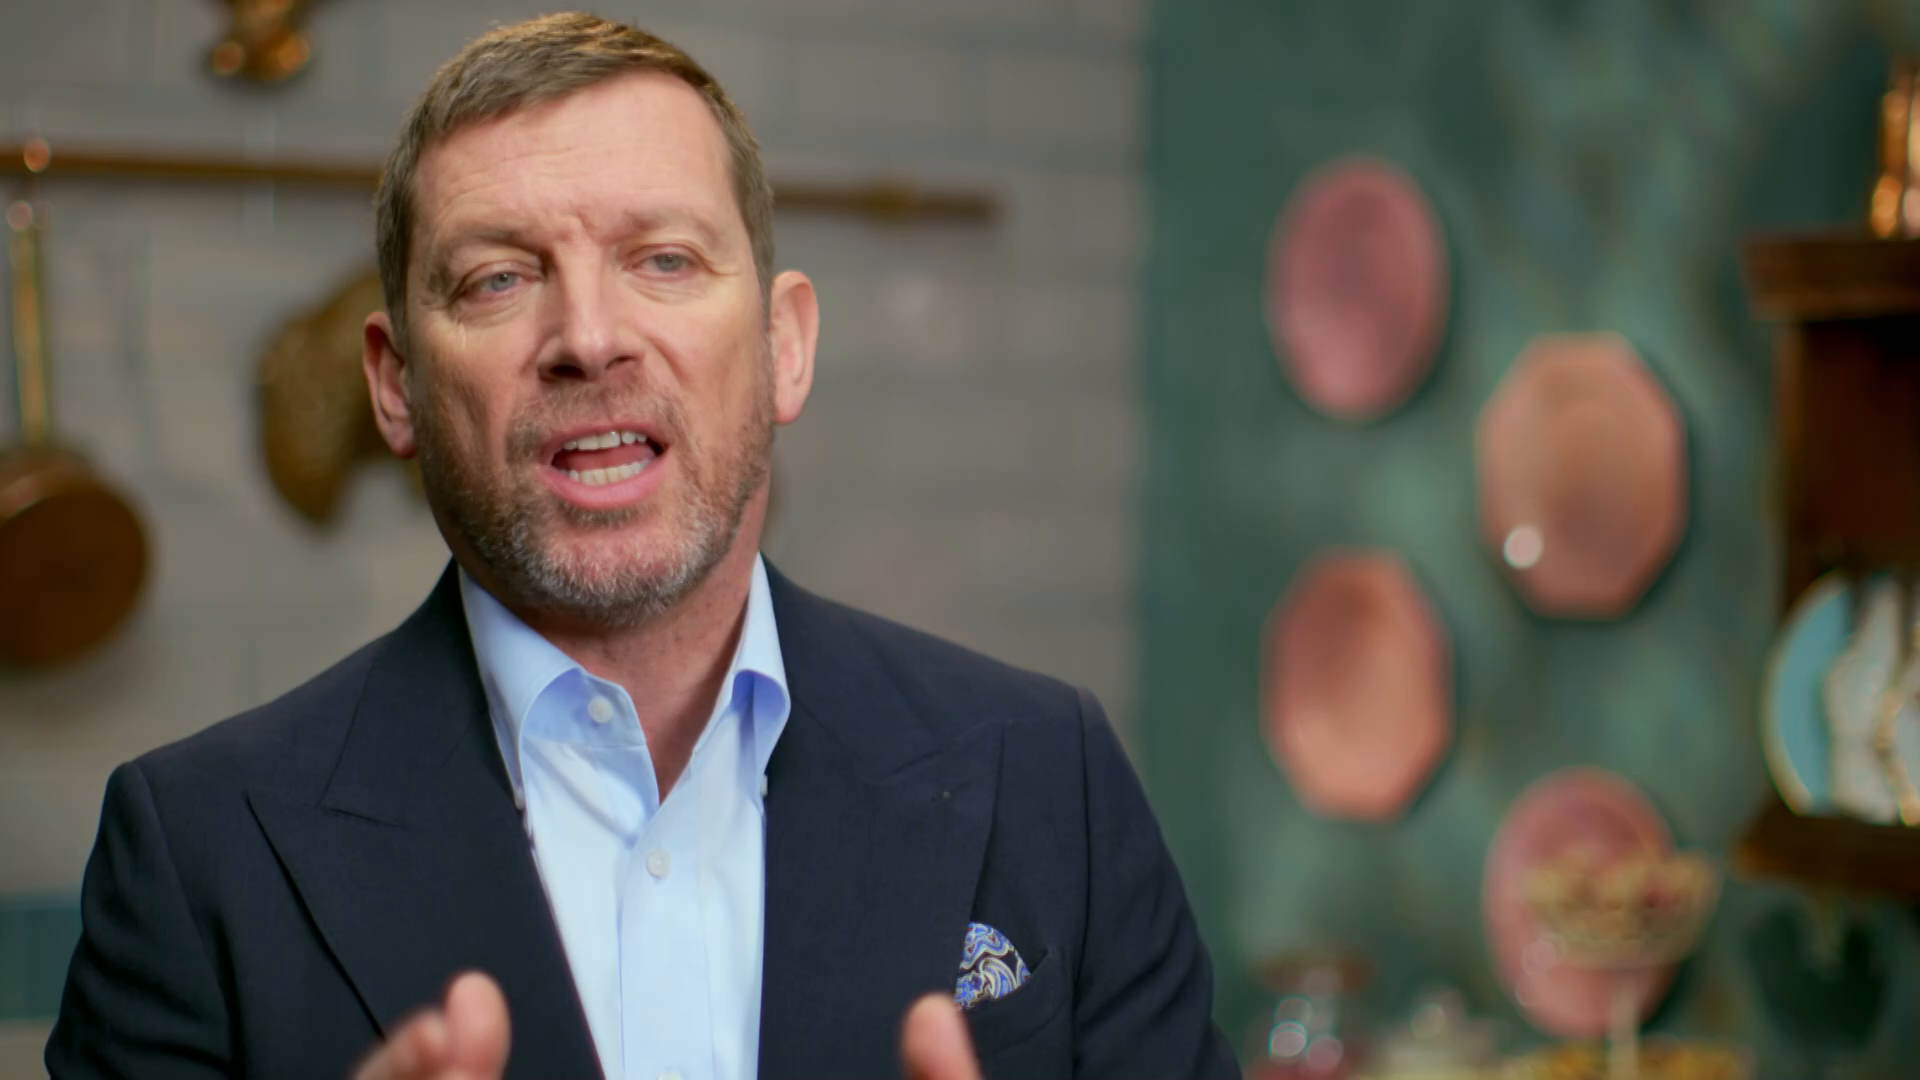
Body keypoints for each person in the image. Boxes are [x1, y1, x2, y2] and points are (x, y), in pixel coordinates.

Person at [44, 13, 1239, 1080]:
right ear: (395, 386)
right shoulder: (196, 853)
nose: (590, 336)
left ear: (784, 348)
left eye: (663, 259)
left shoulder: (1050, 776)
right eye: (499, 278)